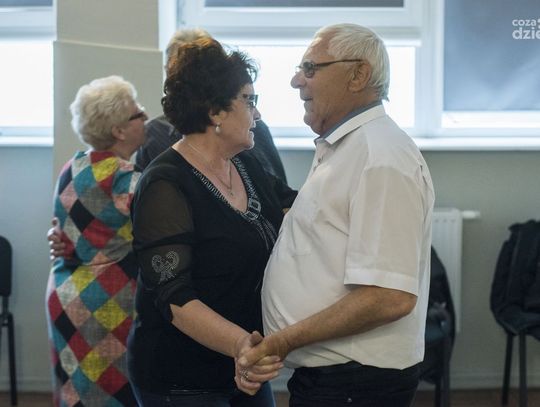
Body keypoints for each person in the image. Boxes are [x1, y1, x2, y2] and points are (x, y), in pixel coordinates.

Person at [236, 23, 435, 407]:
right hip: (335, 377)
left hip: (355, 382)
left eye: (311, 68)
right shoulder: (347, 147)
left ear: (358, 75)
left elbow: (389, 297)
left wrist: (283, 340)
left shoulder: (381, 157)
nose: (296, 81)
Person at [127, 38, 295, 406]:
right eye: (249, 100)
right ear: (216, 111)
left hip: (243, 360)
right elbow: (174, 298)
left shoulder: (245, 164)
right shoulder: (165, 184)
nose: (257, 114)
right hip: (182, 376)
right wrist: (242, 345)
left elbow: (297, 209)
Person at [45, 75, 147, 406]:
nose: (146, 116)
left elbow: (61, 228)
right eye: (138, 113)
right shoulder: (126, 178)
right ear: (119, 131)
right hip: (107, 304)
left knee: (76, 393)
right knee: (115, 394)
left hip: (64, 296)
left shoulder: (71, 166)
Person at [135, 28, 288, 184]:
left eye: (202, 69)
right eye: (181, 69)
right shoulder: (155, 134)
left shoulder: (253, 129)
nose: (193, 79)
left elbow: (276, 189)